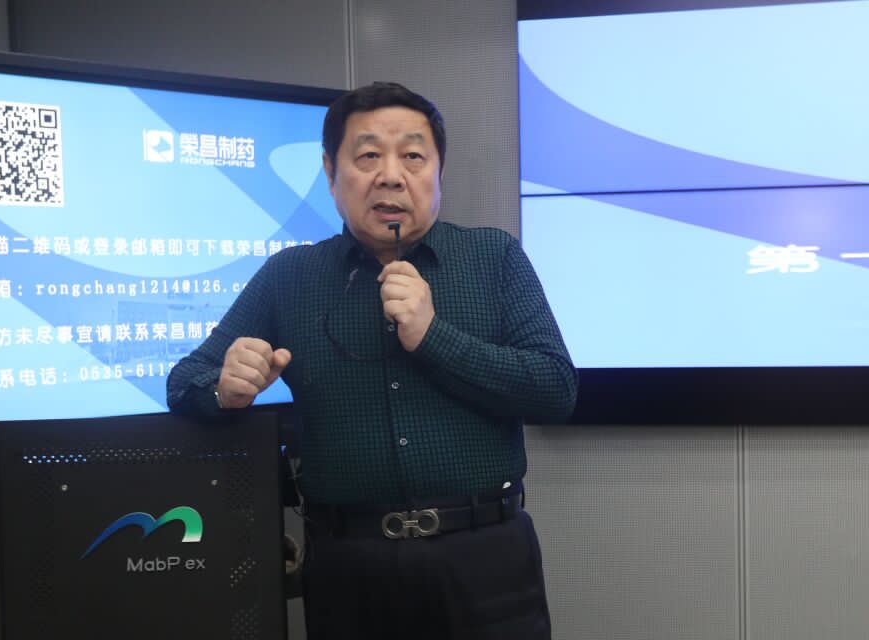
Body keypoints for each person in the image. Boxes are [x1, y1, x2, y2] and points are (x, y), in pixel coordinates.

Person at [166, 81, 577, 640]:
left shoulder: (493, 256)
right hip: (348, 566)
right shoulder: (291, 276)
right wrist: (225, 388)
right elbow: (184, 381)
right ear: (330, 172)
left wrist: (432, 336)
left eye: (413, 156)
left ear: (438, 170)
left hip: (486, 558)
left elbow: (555, 389)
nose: (390, 175)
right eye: (367, 157)